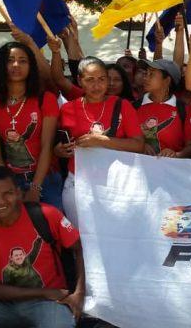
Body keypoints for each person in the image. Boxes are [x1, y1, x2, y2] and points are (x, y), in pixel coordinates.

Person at [0, 165, 85, 328]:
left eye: (8, 193)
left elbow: (79, 248)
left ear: (19, 194)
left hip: (48, 303)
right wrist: (44, 292)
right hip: (4, 304)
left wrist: (79, 293)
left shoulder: (46, 214)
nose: (0, 201)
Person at [55, 57, 144, 224]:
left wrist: (102, 140)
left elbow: (138, 145)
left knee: (113, 235)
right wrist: (59, 150)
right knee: (81, 238)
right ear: (80, 81)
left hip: (116, 184)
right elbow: (58, 144)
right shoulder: (67, 108)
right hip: (78, 182)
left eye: (102, 79)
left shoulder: (123, 105)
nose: (96, 86)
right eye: (90, 80)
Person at [0, 42, 62, 209]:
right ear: (1, 65)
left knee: (51, 228)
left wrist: (35, 188)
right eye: (10, 60)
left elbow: (47, 146)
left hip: (46, 178)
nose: (16, 65)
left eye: (23, 60)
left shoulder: (45, 99)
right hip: (10, 180)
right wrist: (8, 186)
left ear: (31, 66)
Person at [135, 59, 191, 158]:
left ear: (167, 81)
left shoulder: (184, 110)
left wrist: (176, 155)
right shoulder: (133, 107)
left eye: (151, 74)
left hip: (171, 170)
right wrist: (138, 146)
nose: (145, 78)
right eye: (145, 73)